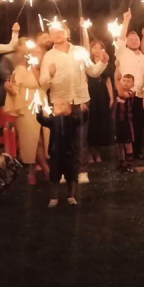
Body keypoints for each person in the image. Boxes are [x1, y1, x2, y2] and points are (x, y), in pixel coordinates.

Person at [39, 22, 108, 185]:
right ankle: (64, 172)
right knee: (62, 140)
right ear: (50, 36)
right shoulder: (49, 56)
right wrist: (50, 75)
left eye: (61, 30)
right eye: (53, 31)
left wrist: (102, 63)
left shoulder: (80, 51)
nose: (58, 33)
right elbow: (43, 84)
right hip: (60, 103)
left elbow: (93, 72)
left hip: (81, 100)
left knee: (81, 138)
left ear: (68, 32)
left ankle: (82, 171)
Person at [5, 40, 51, 186]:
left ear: (43, 55)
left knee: (42, 138)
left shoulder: (45, 71)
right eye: (33, 52)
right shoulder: (21, 70)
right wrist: (10, 88)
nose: (36, 54)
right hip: (26, 107)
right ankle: (46, 170)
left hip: (42, 105)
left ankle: (32, 171)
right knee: (33, 139)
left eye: (39, 52)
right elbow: (14, 88)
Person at [36, 100, 87, 207]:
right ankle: (54, 197)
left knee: (71, 177)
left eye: (63, 104)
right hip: (56, 153)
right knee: (54, 177)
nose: (59, 106)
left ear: (69, 108)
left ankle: (71, 196)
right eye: (57, 104)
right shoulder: (52, 120)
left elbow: (82, 121)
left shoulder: (73, 120)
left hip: (70, 153)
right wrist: (39, 112)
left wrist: (85, 111)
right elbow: (42, 120)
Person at [115, 10, 144, 159]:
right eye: (131, 39)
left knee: (139, 123)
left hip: (140, 95)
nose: (134, 41)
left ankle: (137, 151)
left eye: (136, 39)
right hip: (126, 94)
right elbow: (121, 38)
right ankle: (125, 152)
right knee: (125, 124)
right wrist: (126, 20)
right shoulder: (122, 53)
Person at [86, 39, 114, 163]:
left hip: (102, 95)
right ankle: (88, 153)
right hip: (90, 94)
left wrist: (111, 96)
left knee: (100, 123)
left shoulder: (106, 63)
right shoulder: (87, 63)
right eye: (95, 47)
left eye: (100, 48)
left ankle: (97, 152)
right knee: (91, 123)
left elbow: (108, 80)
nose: (97, 50)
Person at [114, 74, 136, 173]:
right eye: (124, 80)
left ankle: (129, 165)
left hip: (127, 122)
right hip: (117, 121)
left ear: (133, 84)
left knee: (128, 143)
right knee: (119, 143)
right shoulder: (118, 90)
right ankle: (122, 163)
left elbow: (122, 94)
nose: (125, 83)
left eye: (128, 81)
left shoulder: (131, 93)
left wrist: (117, 79)